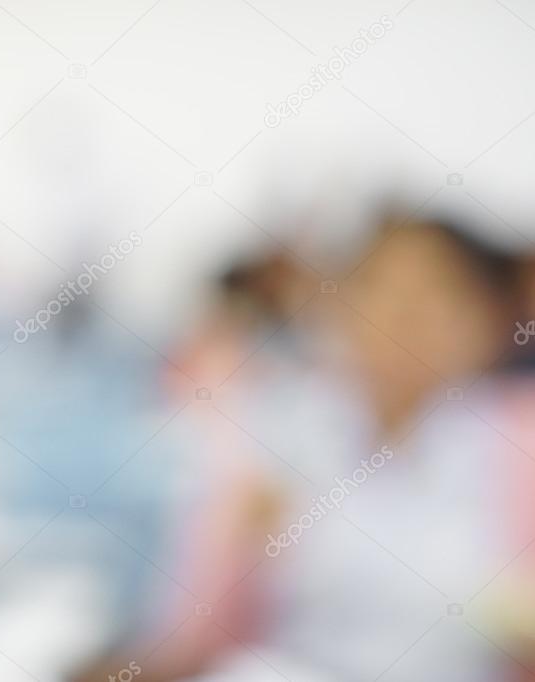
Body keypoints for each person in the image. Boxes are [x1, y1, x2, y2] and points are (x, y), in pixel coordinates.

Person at [80, 214, 535, 681]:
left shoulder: (516, 448)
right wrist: (240, 544)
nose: (405, 318)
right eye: (384, 291)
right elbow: (197, 635)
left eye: (434, 295)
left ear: (486, 320)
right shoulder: (279, 436)